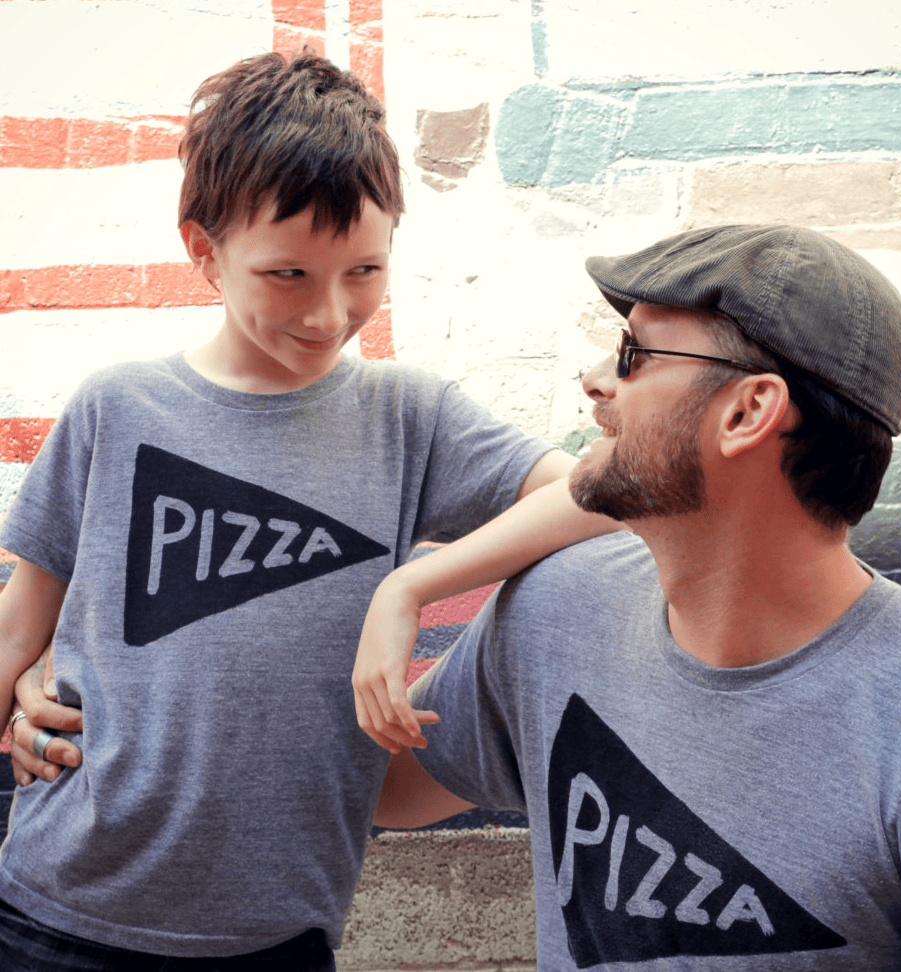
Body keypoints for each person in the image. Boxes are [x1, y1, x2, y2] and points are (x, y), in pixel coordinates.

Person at [0, 49, 618, 969]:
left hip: (278, 936)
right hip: (54, 914)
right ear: (204, 250)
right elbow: (21, 627)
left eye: (364, 270)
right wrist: (21, 694)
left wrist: (413, 584)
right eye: (287, 275)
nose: (330, 315)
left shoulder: (410, 419)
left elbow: (606, 496)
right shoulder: (117, 409)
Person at [375, 225, 901, 970]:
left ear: (746, 412)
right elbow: (378, 791)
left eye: (635, 354)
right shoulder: (557, 609)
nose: (597, 377)